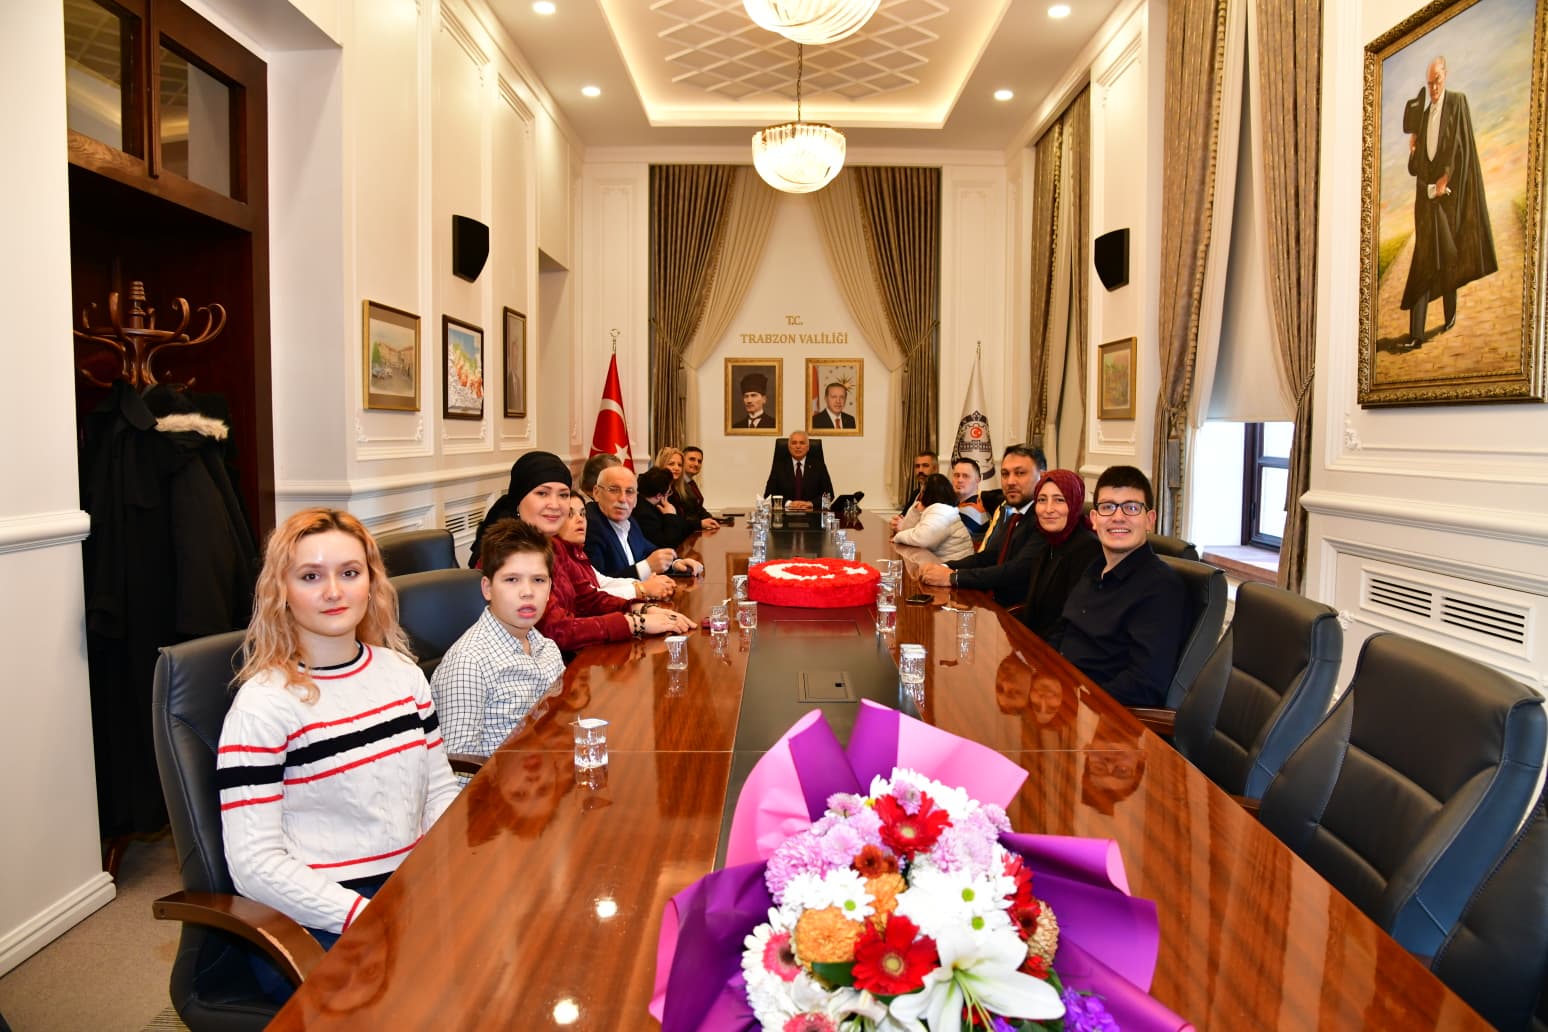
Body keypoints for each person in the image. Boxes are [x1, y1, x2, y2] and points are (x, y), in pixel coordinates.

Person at [216, 508, 460, 1002]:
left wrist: (442, 876)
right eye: (311, 576)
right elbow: (254, 864)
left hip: (408, 888)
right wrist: (365, 915)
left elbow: (438, 791)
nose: (334, 591)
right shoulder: (263, 706)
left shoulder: (403, 675)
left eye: (349, 573)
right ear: (281, 590)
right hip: (316, 918)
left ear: (371, 583)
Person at [495, 451, 693, 654]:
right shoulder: (510, 553)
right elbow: (557, 630)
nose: (555, 505)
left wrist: (641, 609)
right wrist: (636, 623)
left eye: (563, 495)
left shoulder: (554, 546)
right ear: (519, 499)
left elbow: (587, 598)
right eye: (542, 493)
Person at [1050, 465, 1186, 709]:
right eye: (1108, 507)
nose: (1118, 517)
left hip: (1098, 714)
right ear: (1094, 519)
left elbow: (1144, 685)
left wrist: (1076, 700)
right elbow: (1063, 631)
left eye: (1131, 508)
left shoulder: (1161, 588)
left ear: (1150, 520)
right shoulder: (1095, 567)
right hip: (1058, 692)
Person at [431, 518, 565, 763]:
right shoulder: (468, 663)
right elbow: (460, 766)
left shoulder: (547, 649)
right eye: (512, 579)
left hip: (550, 770)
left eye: (538, 580)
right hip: (501, 783)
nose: (527, 592)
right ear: (487, 588)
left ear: (549, 589)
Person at [1399, 55, 1497, 350]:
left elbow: (1459, 147)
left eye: (1437, 81)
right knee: (1423, 260)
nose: (1433, 88)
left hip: (1448, 199)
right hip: (1427, 200)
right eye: (1429, 83)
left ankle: (1449, 315)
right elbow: (1415, 169)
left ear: (1446, 75)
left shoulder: (1457, 102)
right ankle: (1417, 334)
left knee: (1448, 256)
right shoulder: (1422, 116)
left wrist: (1446, 178)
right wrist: (1413, 150)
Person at [917, 444, 1046, 607]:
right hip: (990, 603)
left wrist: (953, 577)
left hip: (1014, 613)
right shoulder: (1015, 513)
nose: (1010, 481)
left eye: (1020, 473)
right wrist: (943, 566)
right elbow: (988, 557)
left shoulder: (1045, 518)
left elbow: (1014, 571)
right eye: (1005, 474)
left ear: (1042, 476)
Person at [1016, 469, 1103, 641]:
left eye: (1059, 500)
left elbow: (1073, 622)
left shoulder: (1089, 548)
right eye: (1042, 500)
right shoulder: (1049, 542)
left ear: (1074, 503)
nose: (1048, 509)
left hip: (1059, 650)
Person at [585, 463, 701, 579]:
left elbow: (649, 551)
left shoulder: (630, 521)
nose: (622, 499)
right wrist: (647, 567)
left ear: (636, 499)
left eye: (629, 492)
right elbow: (596, 582)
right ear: (597, 493)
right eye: (614, 490)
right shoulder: (589, 525)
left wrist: (676, 563)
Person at [557, 496, 675, 601]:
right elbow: (590, 597)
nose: (580, 519)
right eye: (570, 514)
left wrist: (647, 584)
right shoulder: (557, 555)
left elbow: (603, 581)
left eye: (582, 514)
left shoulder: (576, 552)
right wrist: (643, 589)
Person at [890, 473, 974, 562]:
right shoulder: (939, 510)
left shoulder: (942, 512)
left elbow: (922, 539)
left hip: (953, 567)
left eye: (922, 492)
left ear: (927, 494)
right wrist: (916, 510)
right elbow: (907, 530)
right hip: (946, 563)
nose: (920, 496)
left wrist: (898, 537)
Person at [762, 430, 833, 511]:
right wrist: (789, 503)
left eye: (802, 443)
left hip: (812, 514)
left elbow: (829, 495)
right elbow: (768, 495)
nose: (798, 446)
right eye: (794, 443)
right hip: (785, 514)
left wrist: (810, 503)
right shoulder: (779, 466)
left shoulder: (819, 466)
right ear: (789, 447)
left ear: (808, 447)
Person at [636, 465, 703, 550]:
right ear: (659, 496)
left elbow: (681, 526)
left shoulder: (652, 505)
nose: (669, 495)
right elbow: (668, 545)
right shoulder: (644, 515)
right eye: (669, 492)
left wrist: (699, 524)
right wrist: (670, 516)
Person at [655, 445, 717, 530]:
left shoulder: (678, 487)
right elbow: (675, 522)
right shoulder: (659, 491)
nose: (677, 468)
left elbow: (696, 510)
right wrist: (700, 524)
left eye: (680, 465)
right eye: (671, 464)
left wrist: (710, 520)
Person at [949, 456, 995, 543]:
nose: (960, 480)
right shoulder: (980, 504)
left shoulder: (969, 512)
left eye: (965, 476)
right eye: (956, 475)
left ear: (978, 480)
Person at [891, 452, 938, 527]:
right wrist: (896, 521)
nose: (920, 470)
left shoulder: (939, 495)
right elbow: (903, 515)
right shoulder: (916, 493)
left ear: (935, 469)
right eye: (917, 466)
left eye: (925, 465)